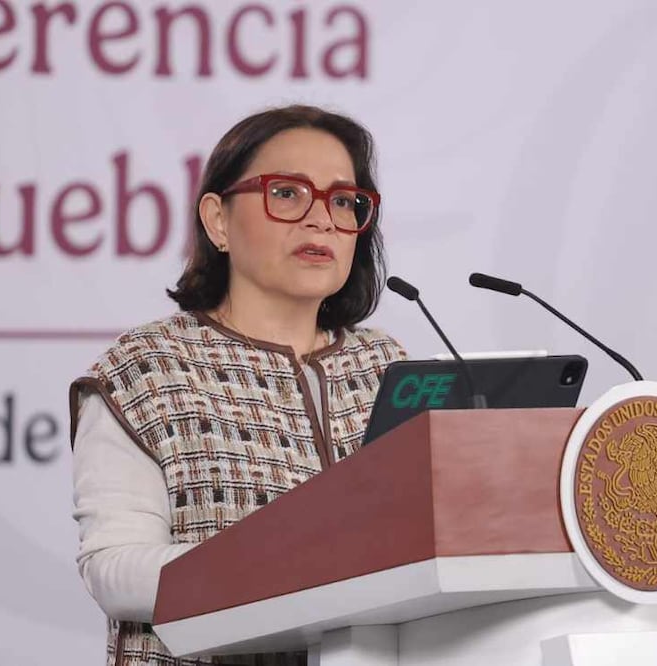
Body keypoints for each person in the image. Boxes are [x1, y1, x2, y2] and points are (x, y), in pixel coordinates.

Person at [68, 105, 408, 666]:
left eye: (344, 201)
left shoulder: (385, 368)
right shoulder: (146, 368)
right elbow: (114, 568)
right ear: (217, 220)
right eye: (288, 193)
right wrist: (283, 567)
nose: (321, 219)